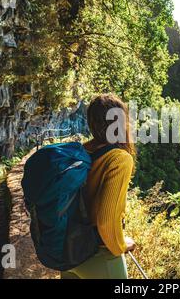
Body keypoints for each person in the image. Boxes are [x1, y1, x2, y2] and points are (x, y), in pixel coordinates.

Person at [61, 94, 136, 279]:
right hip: (99, 255)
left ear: (91, 122)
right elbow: (105, 219)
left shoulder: (80, 151)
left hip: (69, 251)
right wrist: (121, 246)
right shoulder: (119, 158)